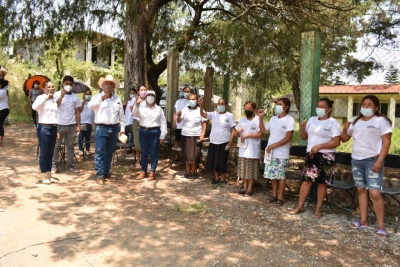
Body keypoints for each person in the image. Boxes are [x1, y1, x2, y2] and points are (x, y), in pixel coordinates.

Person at [340, 95, 392, 238]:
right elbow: (344, 139)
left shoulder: (382, 121)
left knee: (374, 193)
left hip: (372, 161)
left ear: (376, 108)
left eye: (370, 105)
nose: (366, 107)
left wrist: (379, 161)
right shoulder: (355, 121)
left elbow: (387, 142)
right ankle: (363, 221)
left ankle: (381, 226)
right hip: (356, 160)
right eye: (364, 104)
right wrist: (345, 129)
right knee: (361, 190)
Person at [290, 98, 341, 218]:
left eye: (322, 106)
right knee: (307, 181)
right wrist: (302, 127)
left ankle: (318, 208)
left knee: (322, 183)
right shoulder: (312, 120)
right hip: (312, 154)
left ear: (329, 109)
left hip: (326, 156)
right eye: (318, 105)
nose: (319, 108)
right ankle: (300, 205)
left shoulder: (333, 123)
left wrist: (320, 146)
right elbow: (303, 137)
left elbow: (336, 142)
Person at [88, 75, 126, 185]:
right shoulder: (97, 97)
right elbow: (90, 106)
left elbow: (121, 115)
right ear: (103, 85)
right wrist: (102, 98)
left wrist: (122, 129)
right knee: (100, 151)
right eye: (106, 83)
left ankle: (106, 171)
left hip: (114, 128)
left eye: (111, 84)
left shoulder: (117, 99)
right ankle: (100, 174)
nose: (108, 85)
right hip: (101, 127)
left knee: (110, 151)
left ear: (114, 86)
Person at [258, 98, 295, 205]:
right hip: (271, 153)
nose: (277, 106)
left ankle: (280, 197)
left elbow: (288, 138)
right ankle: (274, 195)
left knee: (281, 176)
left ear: (286, 107)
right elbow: (263, 130)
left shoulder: (289, 120)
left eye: (280, 104)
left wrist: (273, 145)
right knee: (273, 175)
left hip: (281, 153)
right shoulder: (273, 119)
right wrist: (261, 118)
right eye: (277, 104)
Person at [199, 97, 236, 184]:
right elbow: (203, 114)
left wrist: (231, 142)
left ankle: (223, 178)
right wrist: (201, 105)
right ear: (216, 105)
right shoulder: (213, 114)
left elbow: (232, 129)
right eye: (218, 104)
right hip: (214, 141)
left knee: (222, 160)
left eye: (222, 104)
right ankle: (216, 178)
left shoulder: (229, 116)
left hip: (224, 141)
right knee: (214, 160)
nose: (220, 105)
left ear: (226, 105)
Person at [132, 90, 167, 180]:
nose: (150, 96)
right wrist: (136, 104)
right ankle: (143, 171)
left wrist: (162, 135)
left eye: (152, 95)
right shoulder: (141, 107)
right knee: (144, 152)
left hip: (155, 132)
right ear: (146, 97)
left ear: (155, 97)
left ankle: (152, 172)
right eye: (148, 95)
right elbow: (135, 113)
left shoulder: (158, 109)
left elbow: (163, 122)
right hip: (143, 131)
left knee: (154, 153)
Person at [51, 75, 81, 174]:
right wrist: (62, 96)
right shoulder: (56, 94)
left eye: (70, 84)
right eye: (66, 84)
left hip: (72, 125)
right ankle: (54, 165)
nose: (68, 86)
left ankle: (71, 165)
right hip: (59, 125)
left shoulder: (75, 97)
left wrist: (78, 126)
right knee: (56, 146)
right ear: (62, 84)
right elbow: (54, 107)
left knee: (70, 146)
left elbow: (77, 112)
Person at [233, 101, 262, 197]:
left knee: (251, 170)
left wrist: (248, 135)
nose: (247, 111)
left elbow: (260, 134)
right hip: (243, 149)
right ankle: (244, 187)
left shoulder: (258, 120)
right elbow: (235, 134)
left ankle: (250, 188)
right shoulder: (242, 120)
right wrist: (238, 131)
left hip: (253, 150)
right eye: (245, 110)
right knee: (244, 170)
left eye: (249, 110)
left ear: (254, 110)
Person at [32, 80, 59, 184]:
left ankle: (49, 175)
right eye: (49, 87)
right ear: (44, 89)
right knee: (44, 153)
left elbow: (55, 115)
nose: (51, 88)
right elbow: (34, 107)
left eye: (53, 86)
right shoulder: (41, 98)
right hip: (44, 127)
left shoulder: (53, 100)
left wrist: (56, 129)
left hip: (53, 127)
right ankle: (44, 176)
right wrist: (46, 98)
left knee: (50, 152)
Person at [177, 93, 207, 179]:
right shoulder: (184, 110)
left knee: (195, 155)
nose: (191, 101)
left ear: (197, 100)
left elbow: (204, 123)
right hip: (186, 134)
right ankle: (188, 171)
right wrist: (178, 116)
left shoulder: (201, 110)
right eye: (190, 99)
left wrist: (202, 134)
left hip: (196, 135)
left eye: (193, 99)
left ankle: (194, 171)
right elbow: (179, 121)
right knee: (186, 154)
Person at [172, 86, 191, 161]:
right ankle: (177, 155)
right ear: (182, 92)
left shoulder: (191, 102)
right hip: (179, 125)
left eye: (188, 91)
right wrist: (174, 122)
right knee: (177, 140)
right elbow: (175, 113)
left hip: (187, 125)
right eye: (185, 91)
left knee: (186, 141)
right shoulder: (178, 101)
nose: (186, 93)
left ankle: (185, 156)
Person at [132, 86, 147, 167]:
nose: (143, 91)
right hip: (137, 122)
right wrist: (137, 103)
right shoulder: (135, 101)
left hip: (146, 124)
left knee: (145, 143)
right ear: (138, 92)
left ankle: (145, 160)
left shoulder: (150, 100)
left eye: (145, 90)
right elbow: (133, 112)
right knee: (137, 143)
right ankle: (138, 161)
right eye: (141, 90)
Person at [78, 89, 94, 156]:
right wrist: (83, 102)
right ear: (84, 95)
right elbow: (79, 110)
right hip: (82, 122)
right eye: (86, 94)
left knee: (88, 137)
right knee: (81, 137)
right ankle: (81, 150)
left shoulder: (92, 102)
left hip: (89, 122)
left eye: (89, 94)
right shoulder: (80, 101)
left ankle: (87, 150)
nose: (88, 95)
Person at [125, 88, 137, 154]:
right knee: (128, 135)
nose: (132, 94)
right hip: (127, 121)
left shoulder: (136, 100)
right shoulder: (129, 102)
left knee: (131, 134)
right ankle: (130, 147)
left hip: (132, 121)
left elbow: (132, 108)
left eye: (133, 93)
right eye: (131, 93)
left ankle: (129, 148)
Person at [0, 67, 9, 147]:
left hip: (3, 107)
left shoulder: (3, 88)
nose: (2, 75)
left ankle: (0, 141)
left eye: (3, 74)